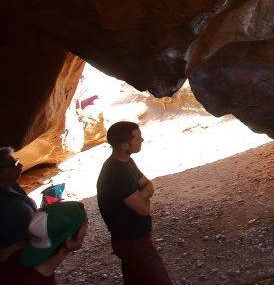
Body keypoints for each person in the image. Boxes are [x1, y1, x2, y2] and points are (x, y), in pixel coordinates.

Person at [96, 121, 172, 285]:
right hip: (132, 241)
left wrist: (141, 193)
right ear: (124, 145)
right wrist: (144, 195)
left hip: (134, 238)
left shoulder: (126, 163)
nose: (142, 141)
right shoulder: (116, 173)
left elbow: (148, 184)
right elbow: (144, 209)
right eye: (137, 139)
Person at [1, 201, 88, 284]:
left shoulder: (13, 255)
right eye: (84, 223)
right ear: (69, 241)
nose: (87, 227)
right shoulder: (40, 282)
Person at [0, 147, 37, 262]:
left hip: (31, 254)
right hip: (11, 266)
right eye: (14, 164)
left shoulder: (12, 186)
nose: (20, 165)